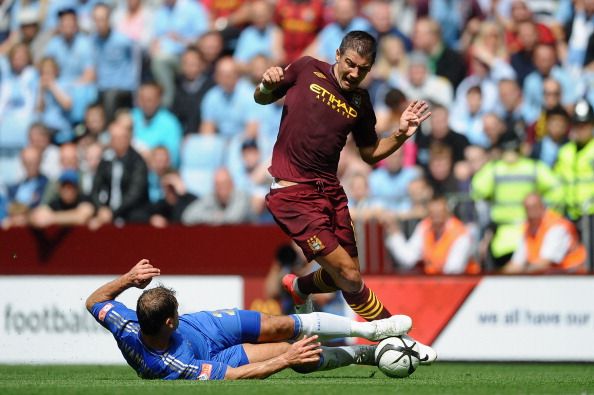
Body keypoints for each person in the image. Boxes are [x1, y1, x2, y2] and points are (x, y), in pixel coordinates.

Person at [254, 31, 431, 320]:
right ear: (338, 54)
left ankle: (299, 285)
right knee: (347, 273)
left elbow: (370, 152)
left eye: (363, 69)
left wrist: (400, 135)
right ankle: (392, 334)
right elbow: (261, 98)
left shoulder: (361, 101)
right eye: (350, 63)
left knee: (347, 275)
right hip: (294, 193)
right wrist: (266, 83)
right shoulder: (307, 68)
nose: (354, 73)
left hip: (331, 193)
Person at [87, 259, 436, 380]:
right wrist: (284, 358)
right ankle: (367, 354)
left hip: (205, 327)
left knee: (279, 324)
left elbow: (94, 301)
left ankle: (370, 329)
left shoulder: (126, 322)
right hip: (209, 357)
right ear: (168, 323)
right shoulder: (175, 366)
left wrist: (129, 279)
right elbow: (236, 375)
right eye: (175, 312)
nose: (178, 312)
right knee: (297, 355)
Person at [384, 195, 479, 275]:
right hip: (434, 283)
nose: (436, 218)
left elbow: (453, 270)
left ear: (448, 213)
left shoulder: (461, 234)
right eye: (432, 214)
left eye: (440, 213)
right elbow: (409, 258)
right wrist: (395, 233)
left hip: (464, 287)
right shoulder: (425, 227)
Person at [502, 193, 587, 274]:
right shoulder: (528, 228)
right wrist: (499, 276)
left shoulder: (556, 226)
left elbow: (545, 263)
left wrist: (522, 271)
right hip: (549, 278)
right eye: (527, 208)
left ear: (542, 206)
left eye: (534, 206)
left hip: (573, 275)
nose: (531, 211)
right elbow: (516, 263)